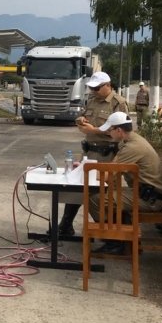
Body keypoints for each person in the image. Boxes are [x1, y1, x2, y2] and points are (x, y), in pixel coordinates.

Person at [52, 71, 129, 237]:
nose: (94, 91)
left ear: (108, 85)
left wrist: (93, 130)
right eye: (92, 88)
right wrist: (80, 120)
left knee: (103, 193)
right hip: (89, 151)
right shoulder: (92, 100)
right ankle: (66, 224)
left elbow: (122, 131)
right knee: (78, 186)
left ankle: (110, 233)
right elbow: (83, 116)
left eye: (97, 88)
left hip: (107, 154)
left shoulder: (118, 103)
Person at [89, 111, 162, 255]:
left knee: (96, 200)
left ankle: (115, 242)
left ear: (119, 130)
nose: (108, 133)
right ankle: (119, 236)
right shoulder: (132, 141)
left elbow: (107, 175)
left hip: (150, 198)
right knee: (107, 194)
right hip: (147, 193)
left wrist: (84, 171)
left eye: (110, 130)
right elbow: (112, 169)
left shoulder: (132, 148)